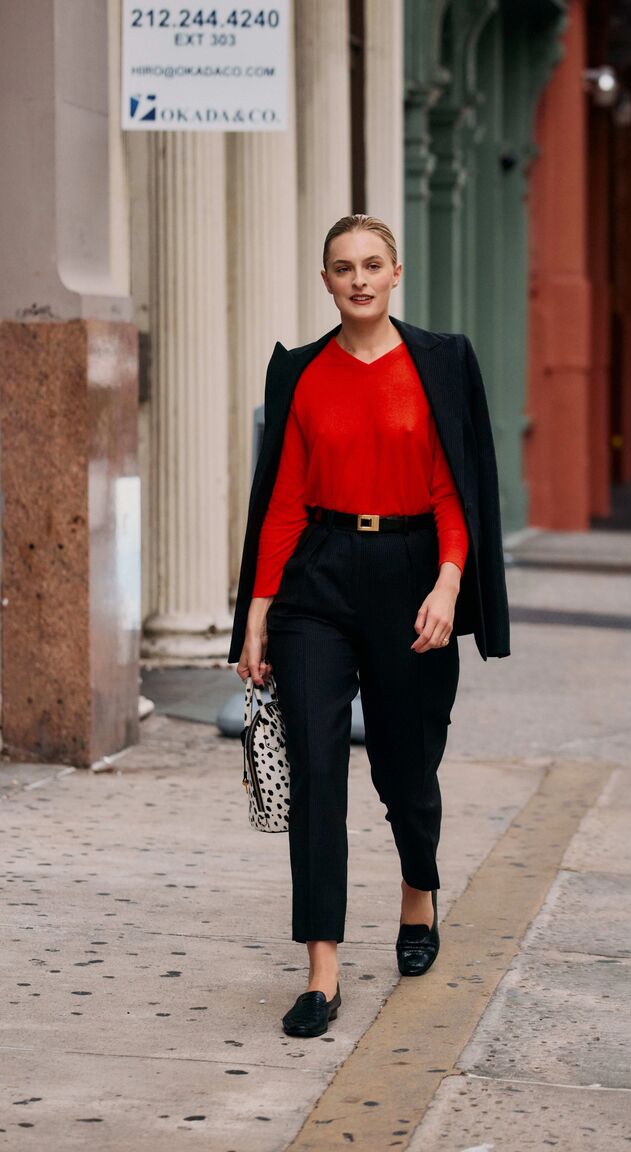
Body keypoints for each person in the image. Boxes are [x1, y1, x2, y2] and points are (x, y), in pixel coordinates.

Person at [230, 214, 509, 1038]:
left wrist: (449, 583)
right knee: (317, 770)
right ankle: (321, 969)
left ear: (396, 274)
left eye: (372, 265)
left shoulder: (441, 363)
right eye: (343, 267)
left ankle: (418, 890)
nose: (358, 278)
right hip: (316, 579)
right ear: (326, 282)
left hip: (413, 573)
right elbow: (280, 500)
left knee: (407, 771)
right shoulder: (302, 374)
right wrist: (256, 615)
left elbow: (455, 488)